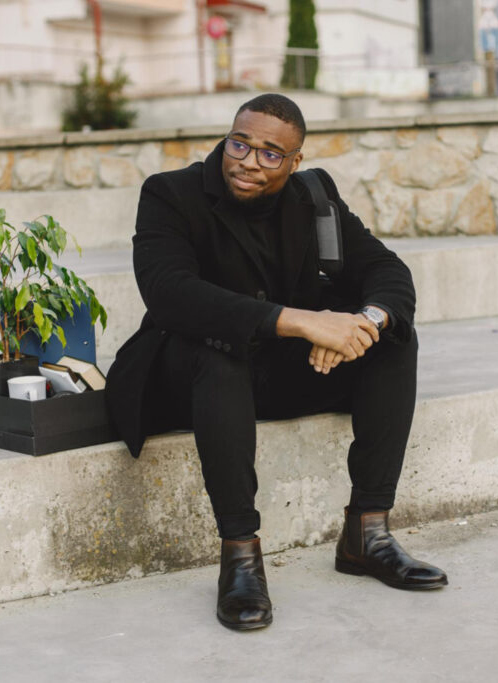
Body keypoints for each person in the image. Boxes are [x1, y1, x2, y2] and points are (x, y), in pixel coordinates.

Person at [105, 93, 447, 631]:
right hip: (187, 376)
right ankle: (240, 557)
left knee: (394, 339)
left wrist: (365, 323)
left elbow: (386, 268)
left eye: (270, 153)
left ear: (294, 162)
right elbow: (170, 293)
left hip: (273, 374)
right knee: (217, 353)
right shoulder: (171, 193)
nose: (247, 160)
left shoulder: (315, 197)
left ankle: (367, 534)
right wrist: (303, 321)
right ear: (228, 136)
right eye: (240, 143)